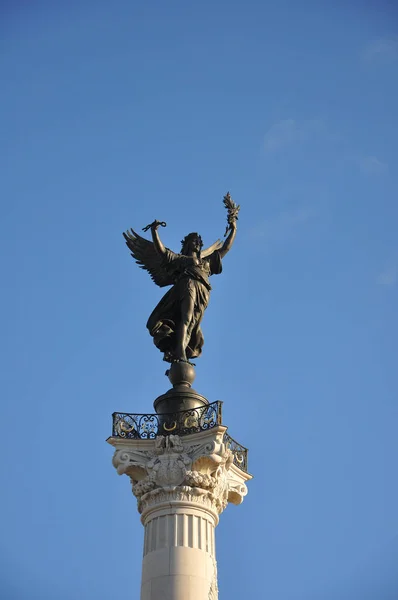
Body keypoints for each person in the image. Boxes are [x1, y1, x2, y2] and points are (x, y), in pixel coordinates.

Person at [146, 220, 237, 363]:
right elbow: (162, 252)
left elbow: (225, 248)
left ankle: (180, 350)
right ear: (187, 244)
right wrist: (154, 232)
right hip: (188, 285)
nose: (197, 243)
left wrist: (233, 229)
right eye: (194, 241)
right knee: (187, 318)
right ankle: (180, 353)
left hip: (204, 291)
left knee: (194, 324)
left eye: (199, 242)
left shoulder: (206, 263)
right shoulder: (181, 260)